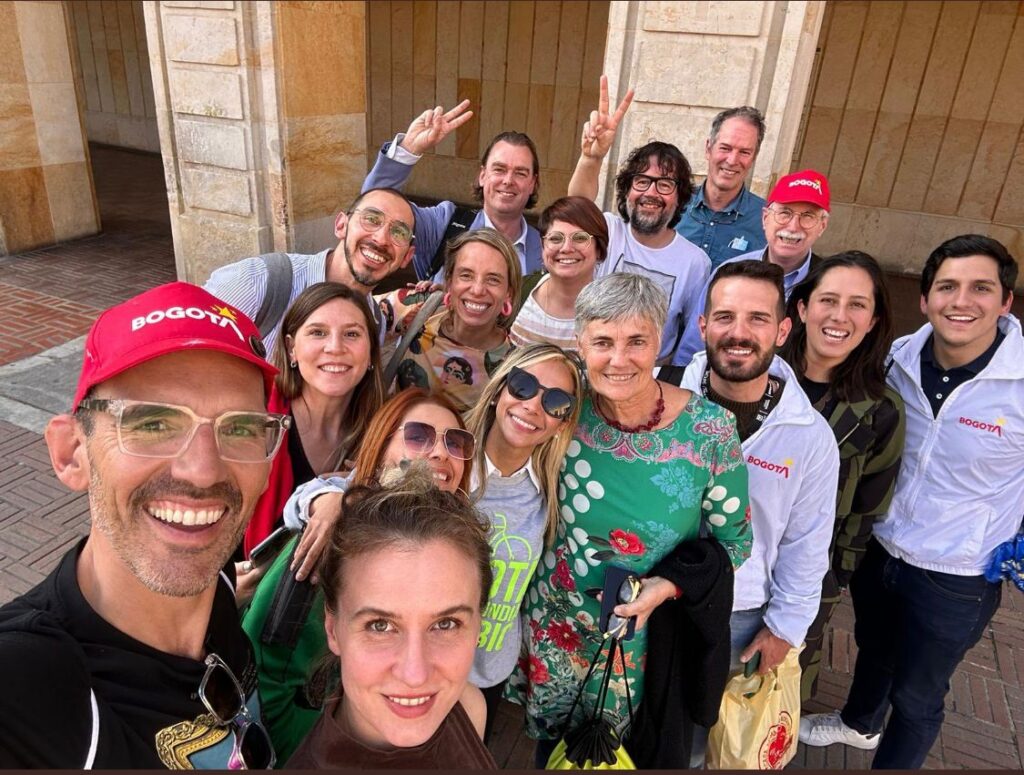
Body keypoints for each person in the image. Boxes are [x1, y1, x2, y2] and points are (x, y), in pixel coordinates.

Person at [0, 282, 288, 768]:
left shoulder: (214, 589)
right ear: (72, 453)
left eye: (239, 428)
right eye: (151, 424)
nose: (202, 470)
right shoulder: (27, 687)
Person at [506, 273, 752, 766]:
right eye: (602, 341)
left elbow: (734, 543)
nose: (619, 359)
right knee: (552, 755)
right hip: (554, 627)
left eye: (636, 340)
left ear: (660, 342)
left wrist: (668, 585)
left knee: (622, 757)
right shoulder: (562, 412)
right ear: (580, 344)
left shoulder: (709, 430)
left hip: (640, 643)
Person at [800, 235, 1023, 769]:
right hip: (883, 546)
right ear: (924, 300)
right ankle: (858, 724)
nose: (961, 301)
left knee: (919, 697)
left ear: (1005, 301)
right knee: (873, 650)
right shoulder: (896, 358)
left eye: (980, 288)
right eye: (947, 286)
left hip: (958, 572)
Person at [241, 388, 474, 763]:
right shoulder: (329, 540)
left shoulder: (449, 551)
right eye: (418, 436)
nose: (439, 452)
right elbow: (263, 672)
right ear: (380, 446)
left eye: (456, 441)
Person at [680, 260, 839, 765]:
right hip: (661, 603)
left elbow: (806, 543)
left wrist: (785, 629)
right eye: (724, 317)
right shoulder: (664, 404)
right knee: (668, 737)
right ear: (703, 326)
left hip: (741, 617)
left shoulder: (809, 438)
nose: (739, 333)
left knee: (726, 742)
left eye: (757, 319)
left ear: (784, 329)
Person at [285, 469, 497, 769]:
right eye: (380, 626)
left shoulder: (466, 705)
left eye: (446, 623)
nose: (415, 675)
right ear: (333, 629)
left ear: (478, 624)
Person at [779, 252, 906, 702]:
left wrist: (835, 578)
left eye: (857, 304)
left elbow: (867, 508)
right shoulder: (761, 376)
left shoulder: (880, 409)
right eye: (828, 300)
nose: (839, 316)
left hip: (812, 568)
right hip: (731, 553)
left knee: (781, 677)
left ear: (873, 321)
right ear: (802, 308)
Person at [462, 344, 584, 738]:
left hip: (489, 672)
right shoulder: (448, 457)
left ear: (563, 423)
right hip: (423, 667)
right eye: (523, 385)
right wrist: (324, 500)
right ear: (499, 389)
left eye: (556, 402)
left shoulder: (552, 491)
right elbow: (353, 487)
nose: (533, 405)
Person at [569, 75, 711, 362]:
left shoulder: (695, 262)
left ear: (680, 197)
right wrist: (592, 158)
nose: (651, 192)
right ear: (627, 190)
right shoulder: (608, 230)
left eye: (665, 184)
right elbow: (578, 205)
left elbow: (691, 338)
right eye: (642, 181)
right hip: (591, 361)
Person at [241, 282, 384, 556]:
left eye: (352, 334)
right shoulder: (252, 416)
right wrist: (231, 581)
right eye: (318, 332)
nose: (334, 347)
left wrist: (355, 491)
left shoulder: (383, 437)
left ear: (370, 354)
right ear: (291, 348)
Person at [204, 187, 417, 357]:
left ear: (407, 256)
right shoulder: (258, 281)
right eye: (371, 219)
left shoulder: (373, 325)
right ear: (341, 225)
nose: (381, 239)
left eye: (399, 232)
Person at [363, 100, 543, 280]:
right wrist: (409, 149)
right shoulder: (445, 224)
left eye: (520, 173)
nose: (508, 180)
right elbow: (375, 206)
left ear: (533, 183)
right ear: (482, 176)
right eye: (499, 169)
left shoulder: (547, 249)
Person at [671, 169, 831, 368]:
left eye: (808, 216)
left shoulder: (829, 284)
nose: (792, 226)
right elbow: (693, 348)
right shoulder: (731, 272)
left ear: (822, 225)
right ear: (765, 218)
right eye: (784, 213)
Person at [382, 227, 522, 412]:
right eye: (466, 275)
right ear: (449, 282)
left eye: (493, 279)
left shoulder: (512, 368)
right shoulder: (417, 309)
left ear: (508, 294)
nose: (477, 290)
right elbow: (350, 312)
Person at [510, 196, 608, 352]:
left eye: (580, 238)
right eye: (555, 238)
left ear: (599, 249)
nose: (566, 248)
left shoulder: (613, 311)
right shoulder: (517, 292)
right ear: (542, 246)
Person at [676, 106, 768, 269]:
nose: (732, 160)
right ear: (708, 148)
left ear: (754, 157)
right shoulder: (673, 205)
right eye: (725, 148)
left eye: (744, 152)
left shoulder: (766, 221)